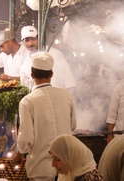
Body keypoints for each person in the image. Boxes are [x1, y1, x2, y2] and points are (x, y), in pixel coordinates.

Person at [13, 52, 77, 181]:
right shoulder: (66, 95)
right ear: (52, 74)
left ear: (32, 75)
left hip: (40, 169)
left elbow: (26, 139)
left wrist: (18, 157)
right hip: (66, 169)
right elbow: (73, 126)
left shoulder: (27, 101)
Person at [20, 25, 76, 90]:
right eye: (27, 40)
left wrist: (70, 98)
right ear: (23, 42)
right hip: (37, 99)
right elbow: (24, 87)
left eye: (33, 39)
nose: (30, 43)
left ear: (39, 38)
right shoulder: (25, 62)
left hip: (57, 97)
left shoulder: (55, 53)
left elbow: (69, 81)